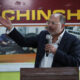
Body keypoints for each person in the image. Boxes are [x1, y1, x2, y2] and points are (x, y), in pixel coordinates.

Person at [0, 13, 80, 68]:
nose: (49, 25)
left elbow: (75, 63)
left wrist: (56, 52)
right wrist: (11, 28)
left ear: (62, 26)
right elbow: (23, 42)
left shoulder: (73, 40)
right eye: (48, 22)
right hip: (39, 76)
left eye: (53, 23)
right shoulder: (43, 35)